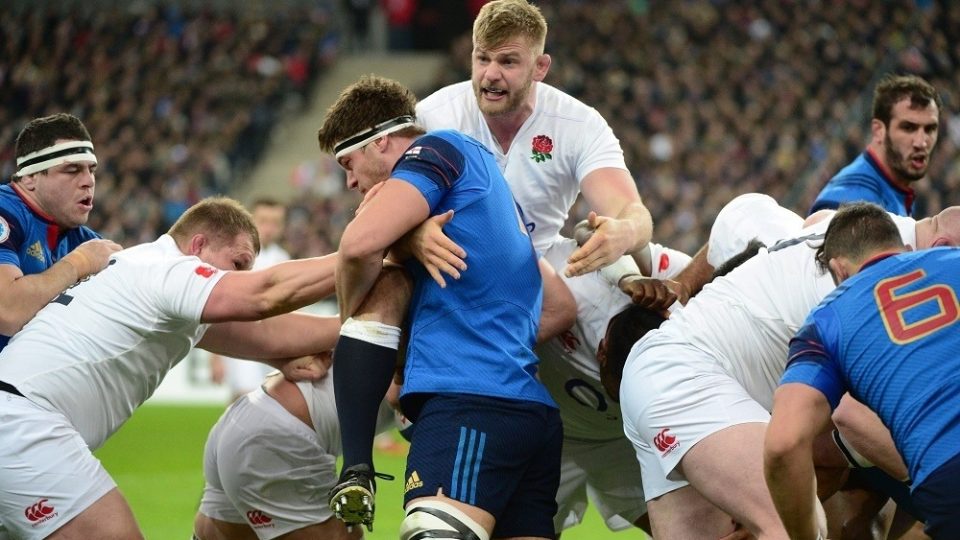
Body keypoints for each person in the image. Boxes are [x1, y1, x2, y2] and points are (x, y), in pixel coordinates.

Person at [0, 196, 347, 539]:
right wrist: (367, 251)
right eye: (238, 263)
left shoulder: (147, 272)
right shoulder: (168, 269)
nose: (240, 276)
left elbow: (264, 333)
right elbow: (263, 295)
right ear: (198, 245)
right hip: (23, 424)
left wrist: (360, 326)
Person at [618, 197, 960, 538]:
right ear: (943, 248)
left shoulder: (841, 230)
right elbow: (849, 419)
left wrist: (686, 283)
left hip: (665, 373)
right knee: (793, 525)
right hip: (686, 378)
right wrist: (933, 470)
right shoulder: (870, 291)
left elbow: (740, 215)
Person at [319, 75, 561, 540]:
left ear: (382, 141)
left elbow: (356, 247)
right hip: (525, 409)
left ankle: (357, 468)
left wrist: (351, 319)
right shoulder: (488, 192)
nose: (349, 181)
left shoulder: (439, 149)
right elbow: (561, 307)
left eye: (348, 163)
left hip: (470, 403)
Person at [416, 0, 654, 278]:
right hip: (450, 271)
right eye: (482, 58)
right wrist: (413, 238)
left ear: (540, 67)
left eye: (508, 61)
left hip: (540, 268)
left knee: (644, 289)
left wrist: (623, 233)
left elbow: (631, 212)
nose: (491, 74)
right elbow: (376, 211)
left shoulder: (578, 124)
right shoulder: (432, 117)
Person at [766, 202, 960, 538]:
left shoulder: (824, 320)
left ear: (838, 270)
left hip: (946, 477)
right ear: (905, 247)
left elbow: (784, 443)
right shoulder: (953, 260)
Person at [536, 236, 686, 537]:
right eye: (619, 389)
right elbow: (589, 229)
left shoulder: (681, 316)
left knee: (689, 532)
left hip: (620, 444)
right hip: (550, 436)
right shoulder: (573, 286)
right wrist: (626, 274)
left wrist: (688, 285)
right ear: (602, 351)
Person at [0, 113, 121, 350]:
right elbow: (7, 311)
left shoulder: (85, 241)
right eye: (72, 170)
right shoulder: (5, 213)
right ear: (30, 177)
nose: (89, 181)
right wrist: (78, 264)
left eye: (91, 170)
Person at [809, 74, 941, 217]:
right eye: (908, 128)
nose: (921, 142)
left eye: (930, 129)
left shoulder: (893, 191)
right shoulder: (851, 199)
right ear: (879, 130)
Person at [208, 197, 292, 403]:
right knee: (242, 400)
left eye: (275, 223)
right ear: (251, 221)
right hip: (240, 339)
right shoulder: (235, 257)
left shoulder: (284, 259)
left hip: (272, 343)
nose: (269, 228)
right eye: (263, 221)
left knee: (271, 405)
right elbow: (217, 304)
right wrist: (215, 357)